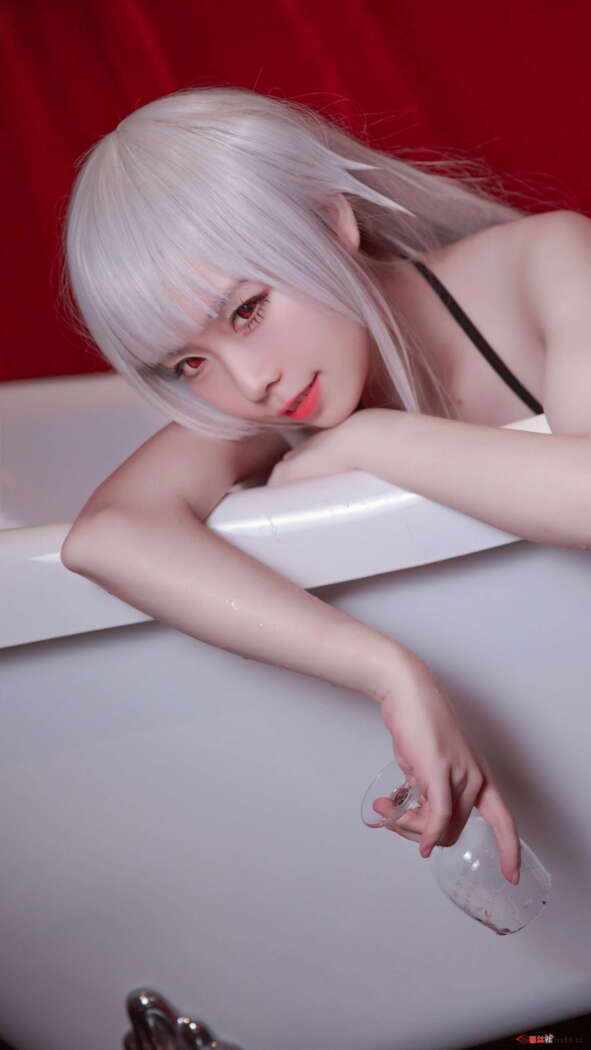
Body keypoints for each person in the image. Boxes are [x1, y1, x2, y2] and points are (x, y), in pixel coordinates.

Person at [61, 87, 591, 887]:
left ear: (329, 219)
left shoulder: (542, 260)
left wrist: (372, 439)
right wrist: (387, 671)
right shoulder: (276, 393)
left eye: (246, 310)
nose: (250, 382)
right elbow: (107, 534)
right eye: (188, 363)